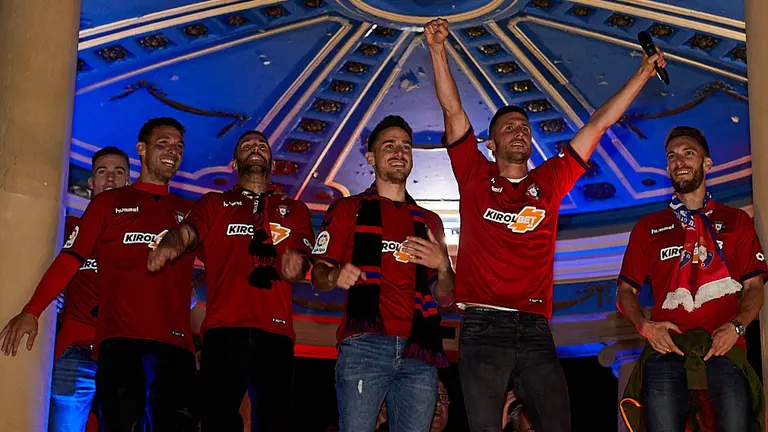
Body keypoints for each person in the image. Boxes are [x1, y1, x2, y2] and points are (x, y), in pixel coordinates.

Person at [424, 17, 666, 432]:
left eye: (524, 127)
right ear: (491, 143)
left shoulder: (548, 182)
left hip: (535, 328)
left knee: (556, 422)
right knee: (485, 426)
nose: (519, 132)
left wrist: (643, 71)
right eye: (508, 128)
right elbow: (452, 109)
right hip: (482, 326)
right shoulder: (475, 175)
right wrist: (437, 50)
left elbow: (597, 125)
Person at [0, 117, 199, 431]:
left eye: (179, 146)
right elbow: (69, 260)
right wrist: (32, 310)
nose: (172, 151)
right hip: (119, 343)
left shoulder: (192, 212)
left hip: (176, 349)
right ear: (142, 150)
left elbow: (230, 261)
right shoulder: (109, 204)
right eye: (163, 143)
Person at [147, 130, 314, 432]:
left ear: (271, 161)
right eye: (247, 145)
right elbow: (189, 231)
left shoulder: (296, 210)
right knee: (216, 422)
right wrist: (173, 242)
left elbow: (303, 256)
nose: (255, 148)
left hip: (275, 333)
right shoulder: (214, 204)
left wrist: (297, 264)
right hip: (224, 331)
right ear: (234, 164)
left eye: (262, 145)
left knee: (274, 424)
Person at [617, 126, 766, 432]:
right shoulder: (648, 226)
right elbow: (624, 291)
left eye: (688, 153)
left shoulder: (737, 221)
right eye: (671, 156)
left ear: (707, 164)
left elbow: (754, 286)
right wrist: (645, 326)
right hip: (667, 349)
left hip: (724, 346)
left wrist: (737, 327)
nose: (679, 161)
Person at [311, 115, 455, 431]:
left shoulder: (430, 222)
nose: (399, 152)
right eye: (389, 145)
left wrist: (443, 266)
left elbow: (445, 297)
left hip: (419, 350)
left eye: (405, 146)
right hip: (364, 347)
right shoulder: (348, 209)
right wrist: (334, 276)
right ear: (371, 158)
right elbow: (318, 273)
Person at [0, 147, 130, 431]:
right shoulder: (69, 227)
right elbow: (48, 266)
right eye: (102, 172)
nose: (110, 179)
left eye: (119, 172)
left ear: (129, 181)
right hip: (76, 352)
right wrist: (32, 311)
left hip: (125, 353)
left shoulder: (141, 234)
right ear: (90, 183)